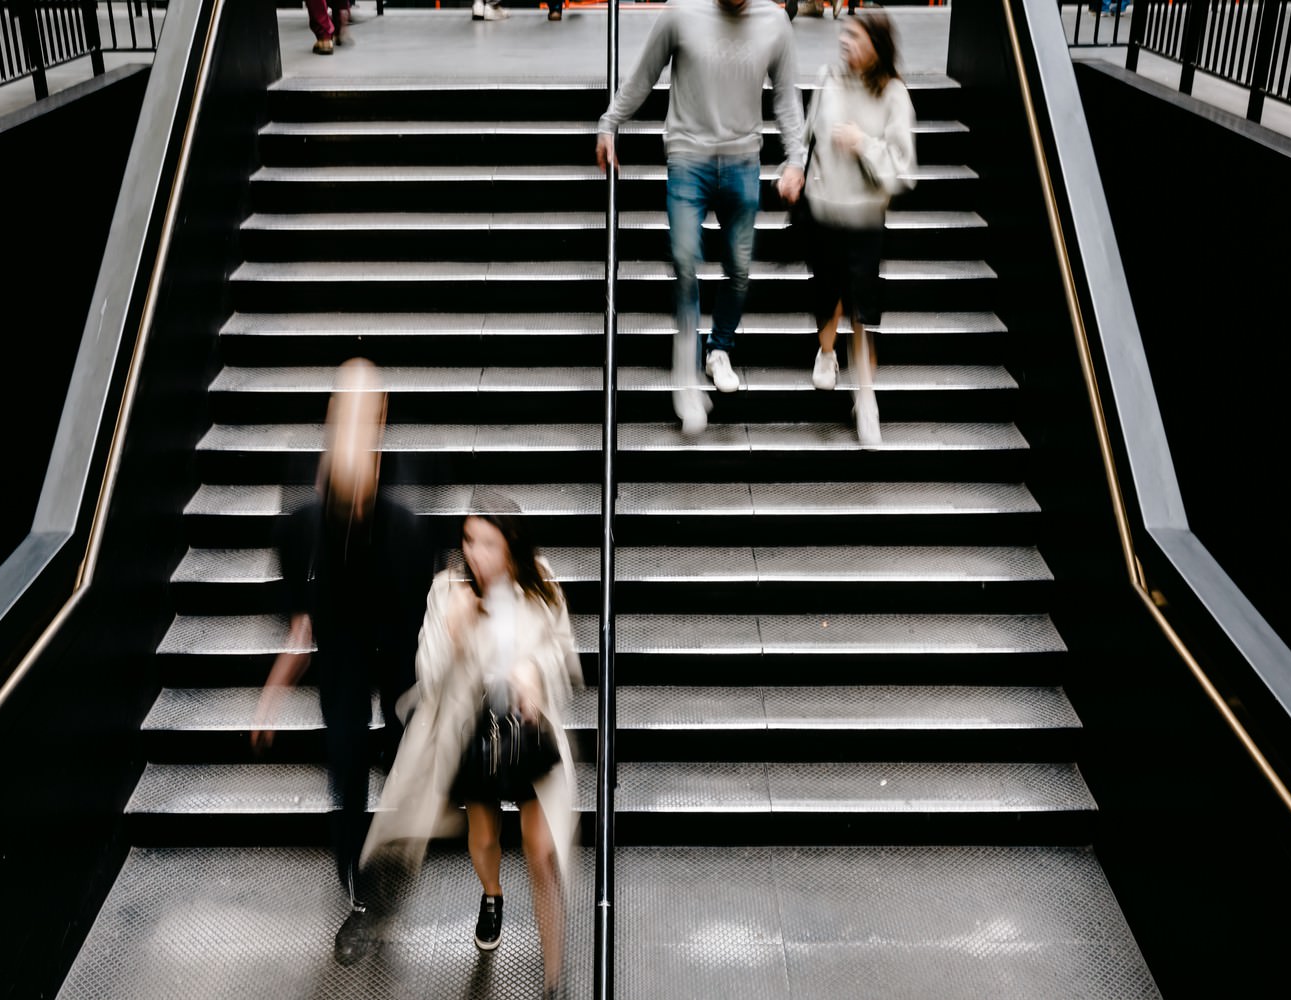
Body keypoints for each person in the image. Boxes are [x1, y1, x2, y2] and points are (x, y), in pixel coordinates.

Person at [250, 358, 440, 965]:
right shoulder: (309, 493)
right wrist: (282, 674)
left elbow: (428, 580)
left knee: (401, 749)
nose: (357, 419)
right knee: (347, 765)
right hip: (342, 653)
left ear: (382, 415)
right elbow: (296, 584)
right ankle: (359, 893)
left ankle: (392, 856)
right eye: (346, 407)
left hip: (400, 650)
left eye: (367, 407)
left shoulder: (404, 488)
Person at [360, 493, 583, 1000]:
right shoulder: (447, 592)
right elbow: (429, 679)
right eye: (469, 541)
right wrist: (459, 636)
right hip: (474, 735)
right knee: (484, 838)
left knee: (541, 852)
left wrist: (533, 671)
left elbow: (561, 653)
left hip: (528, 735)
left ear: (511, 547)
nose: (476, 553)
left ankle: (553, 978)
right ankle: (492, 894)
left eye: (488, 542)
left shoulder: (541, 585)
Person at [596, 0, 807, 434]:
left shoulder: (775, 22)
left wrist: (796, 159)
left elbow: (787, 95)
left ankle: (719, 349)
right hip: (688, 158)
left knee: (740, 270)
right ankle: (687, 377)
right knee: (686, 263)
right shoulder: (680, 14)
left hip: (743, 161)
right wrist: (609, 123)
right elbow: (643, 76)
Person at [797, 9, 916, 445]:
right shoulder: (828, 77)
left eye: (856, 37)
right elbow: (808, 136)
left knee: (863, 312)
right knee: (826, 294)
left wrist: (862, 142)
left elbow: (904, 170)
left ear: (877, 47)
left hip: (864, 217)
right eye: (844, 34)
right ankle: (827, 352)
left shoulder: (893, 94)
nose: (846, 42)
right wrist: (794, 171)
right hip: (824, 210)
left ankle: (866, 398)